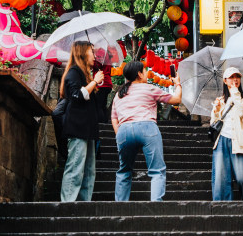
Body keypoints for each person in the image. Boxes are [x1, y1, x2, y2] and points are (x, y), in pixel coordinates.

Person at [111, 60, 182, 201]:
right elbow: (176, 100)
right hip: (147, 127)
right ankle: (156, 204)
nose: (147, 73)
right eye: (145, 71)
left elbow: (114, 118)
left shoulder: (119, 93)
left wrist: (119, 134)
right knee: (157, 171)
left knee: (124, 171)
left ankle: (120, 206)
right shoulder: (149, 88)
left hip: (124, 130)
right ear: (139, 74)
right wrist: (177, 83)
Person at [59, 41, 105, 202]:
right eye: (92, 52)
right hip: (77, 127)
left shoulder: (84, 74)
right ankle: (68, 202)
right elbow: (77, 96)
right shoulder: (73, 72)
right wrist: (94, 82)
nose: (94, 55)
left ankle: (85, 202)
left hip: (89, 129)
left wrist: (93, 81)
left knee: (89, 169)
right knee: (76, 166)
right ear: (83, 53)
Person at [211, 66, 243, 201]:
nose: (234, 80)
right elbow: (214, 123)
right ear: (225, 81)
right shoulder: (220, 100)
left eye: (237, 76)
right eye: (231, 77)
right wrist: (216, 110)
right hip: (222, 141)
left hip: (241, 140)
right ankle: (222, 209)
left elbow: (242, 111)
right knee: (221, 178)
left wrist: (235, 93)